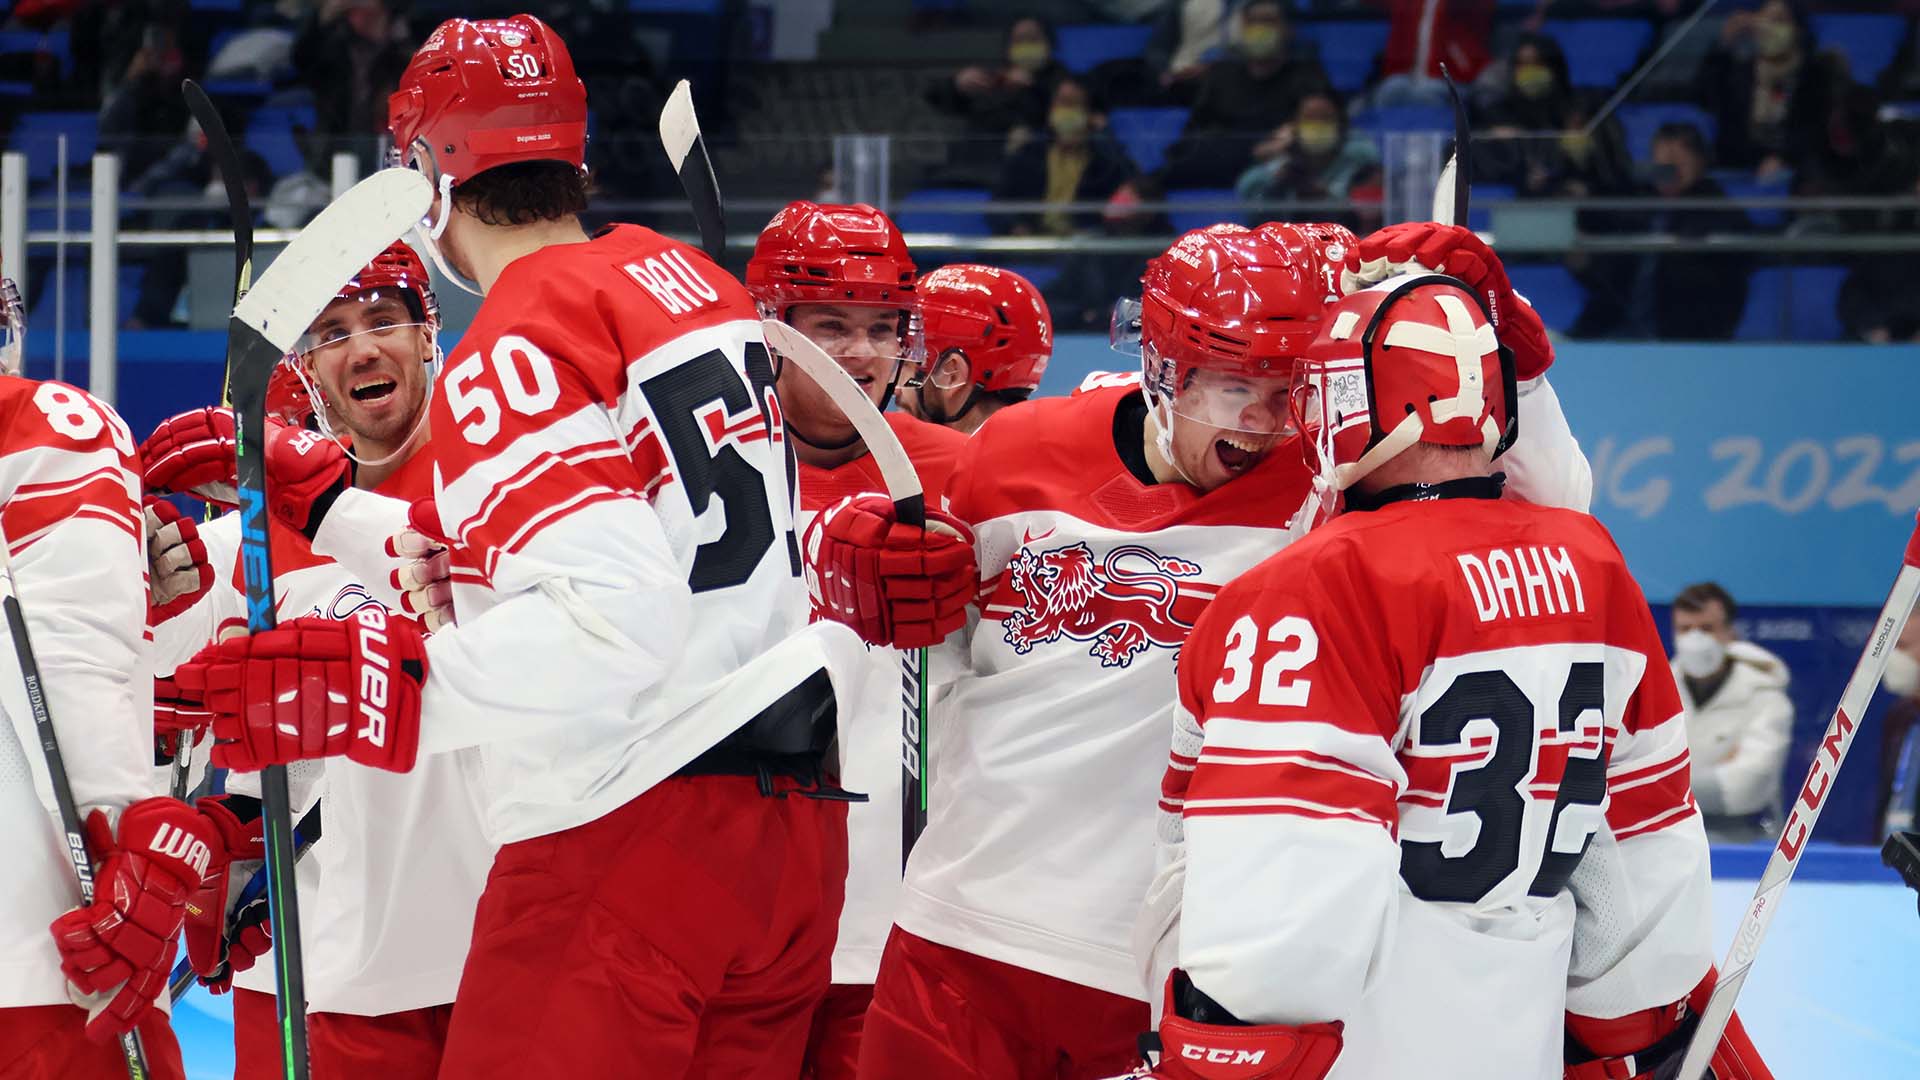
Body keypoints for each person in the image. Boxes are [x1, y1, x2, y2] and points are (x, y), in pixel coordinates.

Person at [172, 15, 867, 1077]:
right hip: (792, 840)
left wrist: (377, 689)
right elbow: (672, 548)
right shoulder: (691, 282)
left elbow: (617, 624)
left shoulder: (517, 336)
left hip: (634, 836)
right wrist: (424, 550)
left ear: (428, 178)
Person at [809, 220, 1594, 1079]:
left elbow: (1547, 509)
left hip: (1171, 970)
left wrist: (1511, 354)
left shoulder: (1339, 489)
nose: (1263, 420)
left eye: (1288, 388)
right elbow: (931, 650)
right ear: (1162, 370)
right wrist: (860, 573)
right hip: (957, 937)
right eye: (1232, 385)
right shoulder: (1013, 449)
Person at [1125, 271, 1771, 1080]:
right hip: (1521, 1034)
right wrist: (1634, 1024)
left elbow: (1283, 897)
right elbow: (1640, 841)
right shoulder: (1592, 562)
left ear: (1349, 401)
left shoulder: (1316, 582)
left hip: (1366, 1043)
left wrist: (1223, 1046)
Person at [141, 242, 493, 1080]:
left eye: (383, 320)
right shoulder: (258, 536)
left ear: (430, 332)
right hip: (348, 975)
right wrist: (154, 583)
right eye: (333, 332)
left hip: (508, 950)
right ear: (305, 366)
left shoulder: (492, 480)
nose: (362, 347)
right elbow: (167, 672)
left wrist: (329, 502)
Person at [744, 199, 975, 1080]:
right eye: (832, 327)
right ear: (773, 328)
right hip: (738, 903)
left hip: (893, 912)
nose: (863, 354)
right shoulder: (704, 470)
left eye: (882, 328)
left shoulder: (962, 473)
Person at [0, 261, 225, 1080]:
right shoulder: (41, 421)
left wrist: (156, 617)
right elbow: (70, 650)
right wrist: (133, 836)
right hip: (43, 971)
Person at [1572, 123, 1750, 341]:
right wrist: (1586, 265)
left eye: (1679, 162)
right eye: (1662, 164)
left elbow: (1736, 262)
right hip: (1618, 330)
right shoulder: (1637, 206)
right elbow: (1612, 280)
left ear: (1700, 163)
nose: (1669, 172)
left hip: (1687, 336)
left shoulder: (1718, 210)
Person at [1162, 0, 1332, 189]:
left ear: (1288, 29)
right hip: (1219, 168)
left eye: (1268, 22)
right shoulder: (1222, 73)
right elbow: (1194, 134)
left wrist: (1290, 138)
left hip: (1277, 173)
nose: (1259, 30)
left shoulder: (1307, 75)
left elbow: (1323, 128)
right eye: (1252, 23)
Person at [1670, 581, 1792, 843]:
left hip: (1746, 843)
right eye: (1685, 629)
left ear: (1729, 632)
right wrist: (1717, 774)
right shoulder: (1655, 689)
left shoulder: (1765, 695)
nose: (1695, 640)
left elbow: (1749, 785)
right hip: (1667, 839)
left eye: (1706, 628)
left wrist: (1663, 785)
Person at [901, 263, 1053, 435]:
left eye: (907, 364)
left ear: (952, 374)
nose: (897, 390)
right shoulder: (1040, 442)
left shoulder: (909, 447)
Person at [926, 16, 1069, 186]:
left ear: (1049, 44)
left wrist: (1032, 87)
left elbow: (1060, 117)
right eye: (1019, 41)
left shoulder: (1064, 81)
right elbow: (934, 97)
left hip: (1033, 174)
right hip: (973, 170)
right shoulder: (995, 76)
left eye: (1032, 40)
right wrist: (956, 85)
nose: (1026, 47)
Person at [991, 74, 1137, 237]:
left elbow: (1133, 192)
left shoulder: (1105, 160)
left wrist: (1104, 136)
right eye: (1061, 103)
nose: (1066, 113)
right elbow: (998, 205)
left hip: (1084, 245)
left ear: (1092, 115)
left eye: (1074, 105)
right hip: (1031, 242)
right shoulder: (1028, 153)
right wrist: (1016, 227)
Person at [1233, 88, 1383, 230]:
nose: (1317, 125)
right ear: (1294, 124)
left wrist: (1318, 192)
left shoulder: (1358, 156)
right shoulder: (1282, 158)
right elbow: (1247, 190)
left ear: (1340, 123)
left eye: (1325, 118)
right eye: (1309, 118)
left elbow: (1366, 212)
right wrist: (1274, 174)